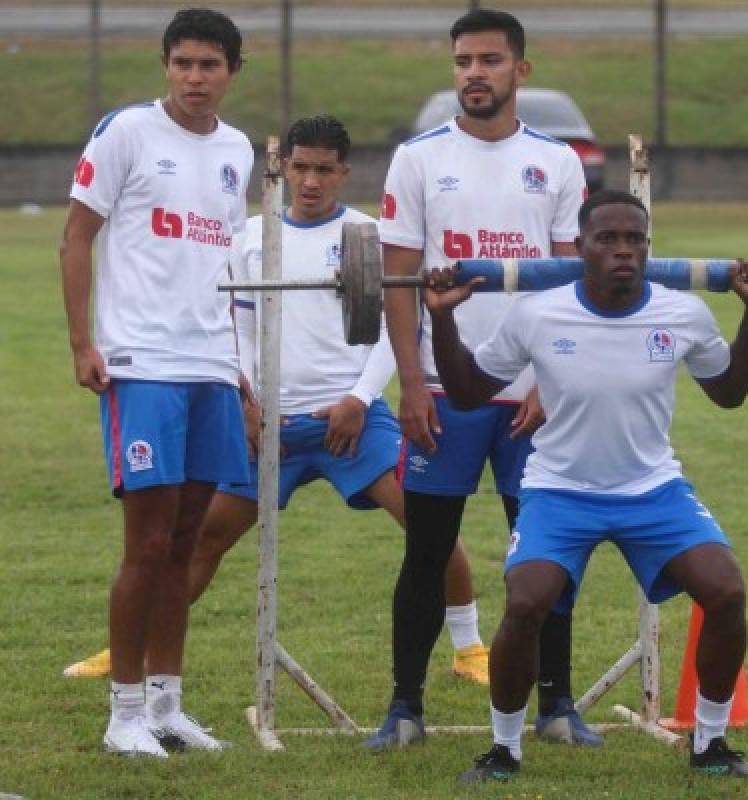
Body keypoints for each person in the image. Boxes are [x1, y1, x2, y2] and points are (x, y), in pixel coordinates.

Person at [61, 116, 490, 686]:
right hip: (270, 426)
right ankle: (129, 650)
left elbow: (397, 331)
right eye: (300, 167)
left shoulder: (369, 236)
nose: (310, 181)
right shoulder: (249, 238)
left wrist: (360, 400)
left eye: (323, 170)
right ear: (282, 167)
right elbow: (235, 326)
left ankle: (470, 648)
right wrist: (248, 399)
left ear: (343, 172)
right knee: (203, 535)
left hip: (352, 421)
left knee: (427, 521)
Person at [424, 190, 748, 782]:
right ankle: (504, 749)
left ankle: (710, 743)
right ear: (580, 248)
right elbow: (466, 393)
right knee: (527, 600)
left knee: (726, 590)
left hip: (652, 490)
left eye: (635, 239)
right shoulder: (539, 313)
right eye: (607, 239)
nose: (623, 251)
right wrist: (441, 315)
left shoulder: (683, 313)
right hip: (560, 490)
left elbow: (730, 393)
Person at [368, 7, 599, 750]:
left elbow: (572, 283)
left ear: (519, 71)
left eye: (490, 61)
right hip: (446, 390)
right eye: (463, 60)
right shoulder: (418, 158)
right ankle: (406, 707)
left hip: (533, 398)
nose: (474, 73)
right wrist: (409, 383)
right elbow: (396, 284)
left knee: (544, 551)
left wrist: (552, 379)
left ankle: (558, 705)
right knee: (427, 552)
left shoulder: (557, 162)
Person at [59, 8, 253, 757]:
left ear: (234, 70)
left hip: (210, 367)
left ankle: (168, 705)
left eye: (209, 65)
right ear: (166, 66)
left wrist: (239, 371)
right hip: (143, 364)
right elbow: (77, 235)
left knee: (185, 542)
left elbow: (228, 269)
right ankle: (124, 712)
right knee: (145, 544)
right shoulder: (127, 132)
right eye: (182, 64)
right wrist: (84, 342)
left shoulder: (236, 151)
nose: (194, 79)